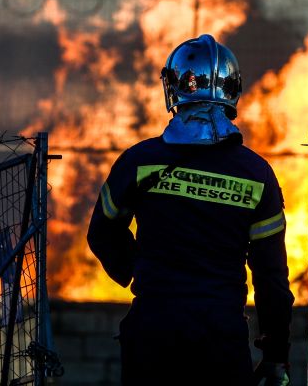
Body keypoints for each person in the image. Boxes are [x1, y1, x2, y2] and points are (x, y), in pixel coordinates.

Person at [87, 34, 294, 386]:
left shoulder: (139, 161)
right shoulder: (258, 175)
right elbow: (271, 278)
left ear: (173, 87)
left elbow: (102, 233)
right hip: (221, 340)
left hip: (152, 333)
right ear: (233, 91)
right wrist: (275, 357)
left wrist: (138, 272)